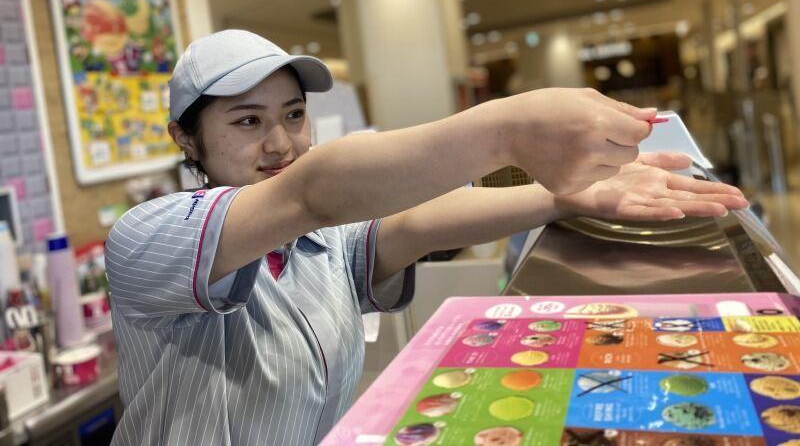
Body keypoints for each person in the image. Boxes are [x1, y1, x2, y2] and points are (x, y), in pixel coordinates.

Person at [105, 30, 747, 445]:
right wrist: (508, 131)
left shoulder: (317, 245)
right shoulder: (146, 239)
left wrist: (570, 197)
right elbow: (313, 189)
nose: (281, 144)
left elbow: (415, 223)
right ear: (186, 138)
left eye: (294, 116)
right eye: (248, 122)